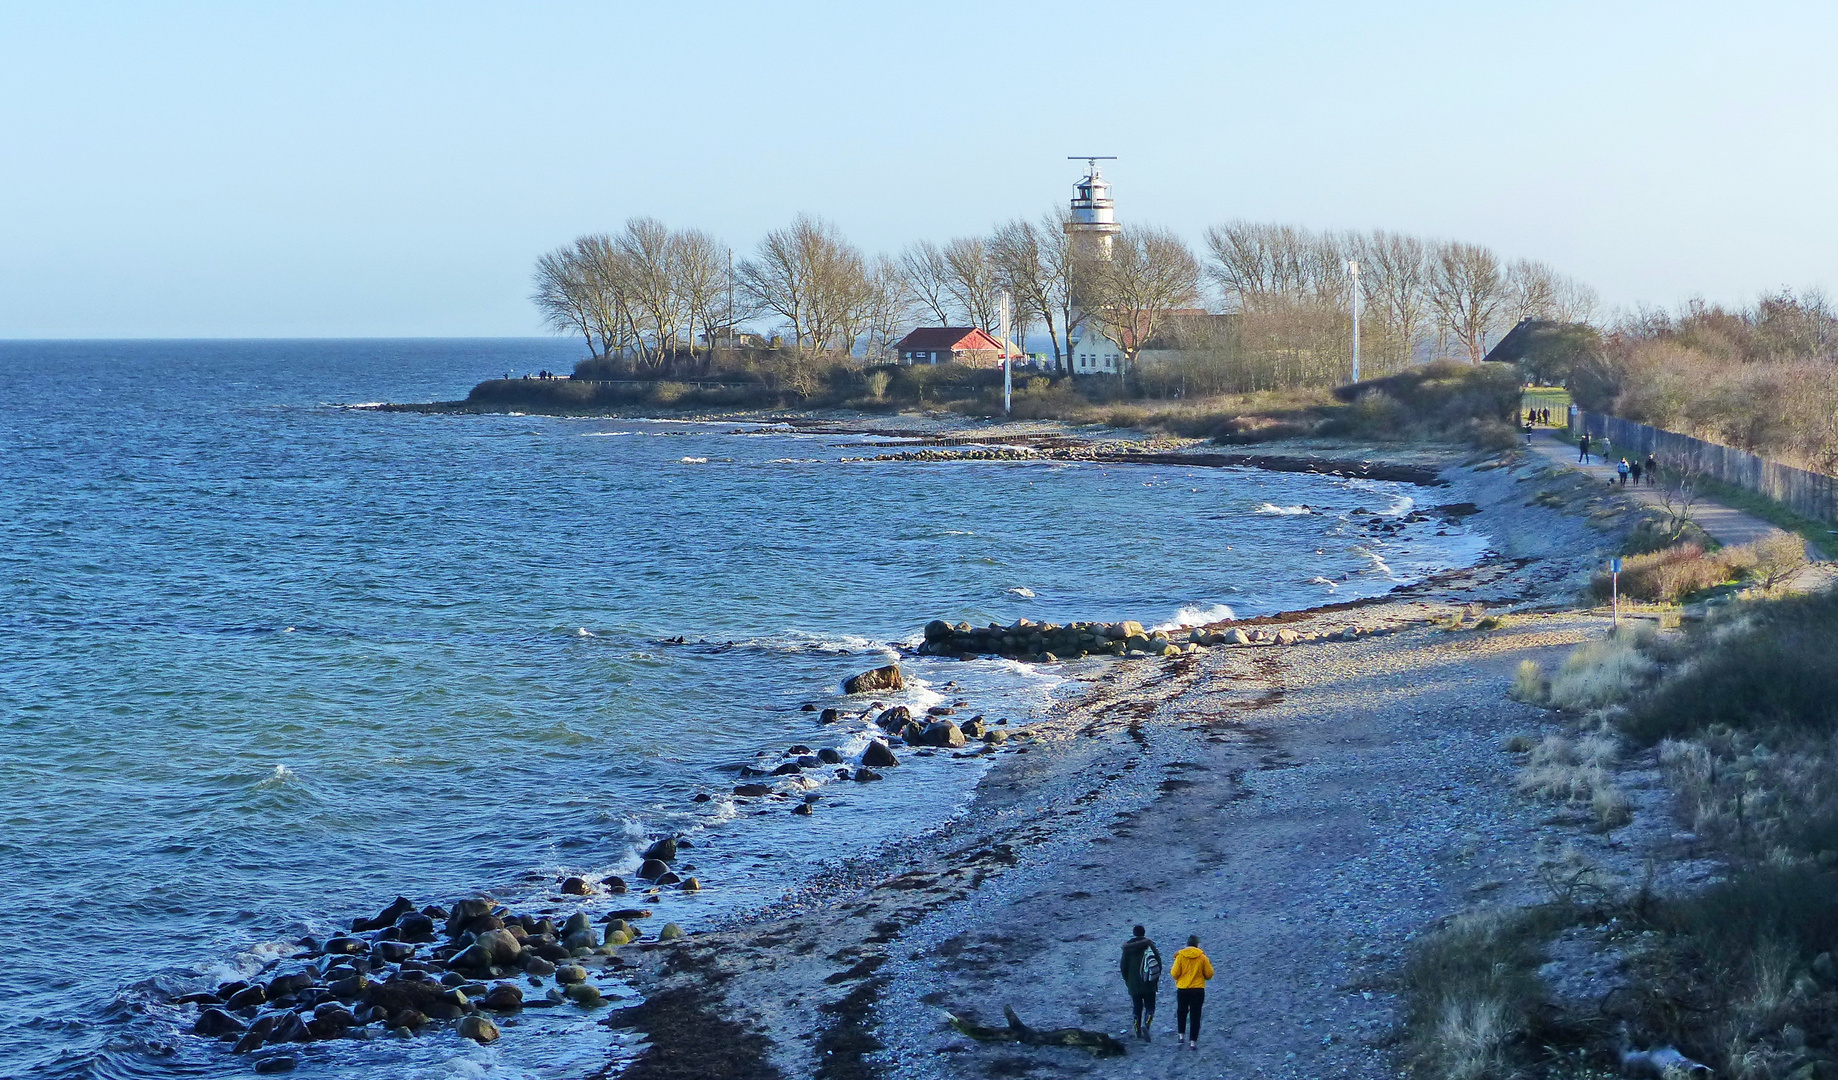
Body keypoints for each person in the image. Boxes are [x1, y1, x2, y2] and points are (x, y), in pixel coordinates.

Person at [1170, 934, 1214, 1050]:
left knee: (1181, 1012)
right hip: (1198, 989)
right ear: (1197, 945)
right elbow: (1209, 974)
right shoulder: (1202, 957)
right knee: (1196, 1015)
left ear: (1187, 944)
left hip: (1183, 989)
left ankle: (1181, 1035)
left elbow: (1174, 974)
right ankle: (1193, 1042)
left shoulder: (1180, 956)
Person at [1119, 925, 1162, 1041]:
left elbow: (1123, 967)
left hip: (1134, 984)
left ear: (1133, 933)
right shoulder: (1149, 945)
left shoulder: (1127, 949)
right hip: (1149, 982)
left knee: (1137, 1007)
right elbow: (1158, 963)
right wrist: (1155, 979)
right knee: (1150, 1006)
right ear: (1144, 932)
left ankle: (1137, 1029)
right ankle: (1147, 1025)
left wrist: (1128, 981)